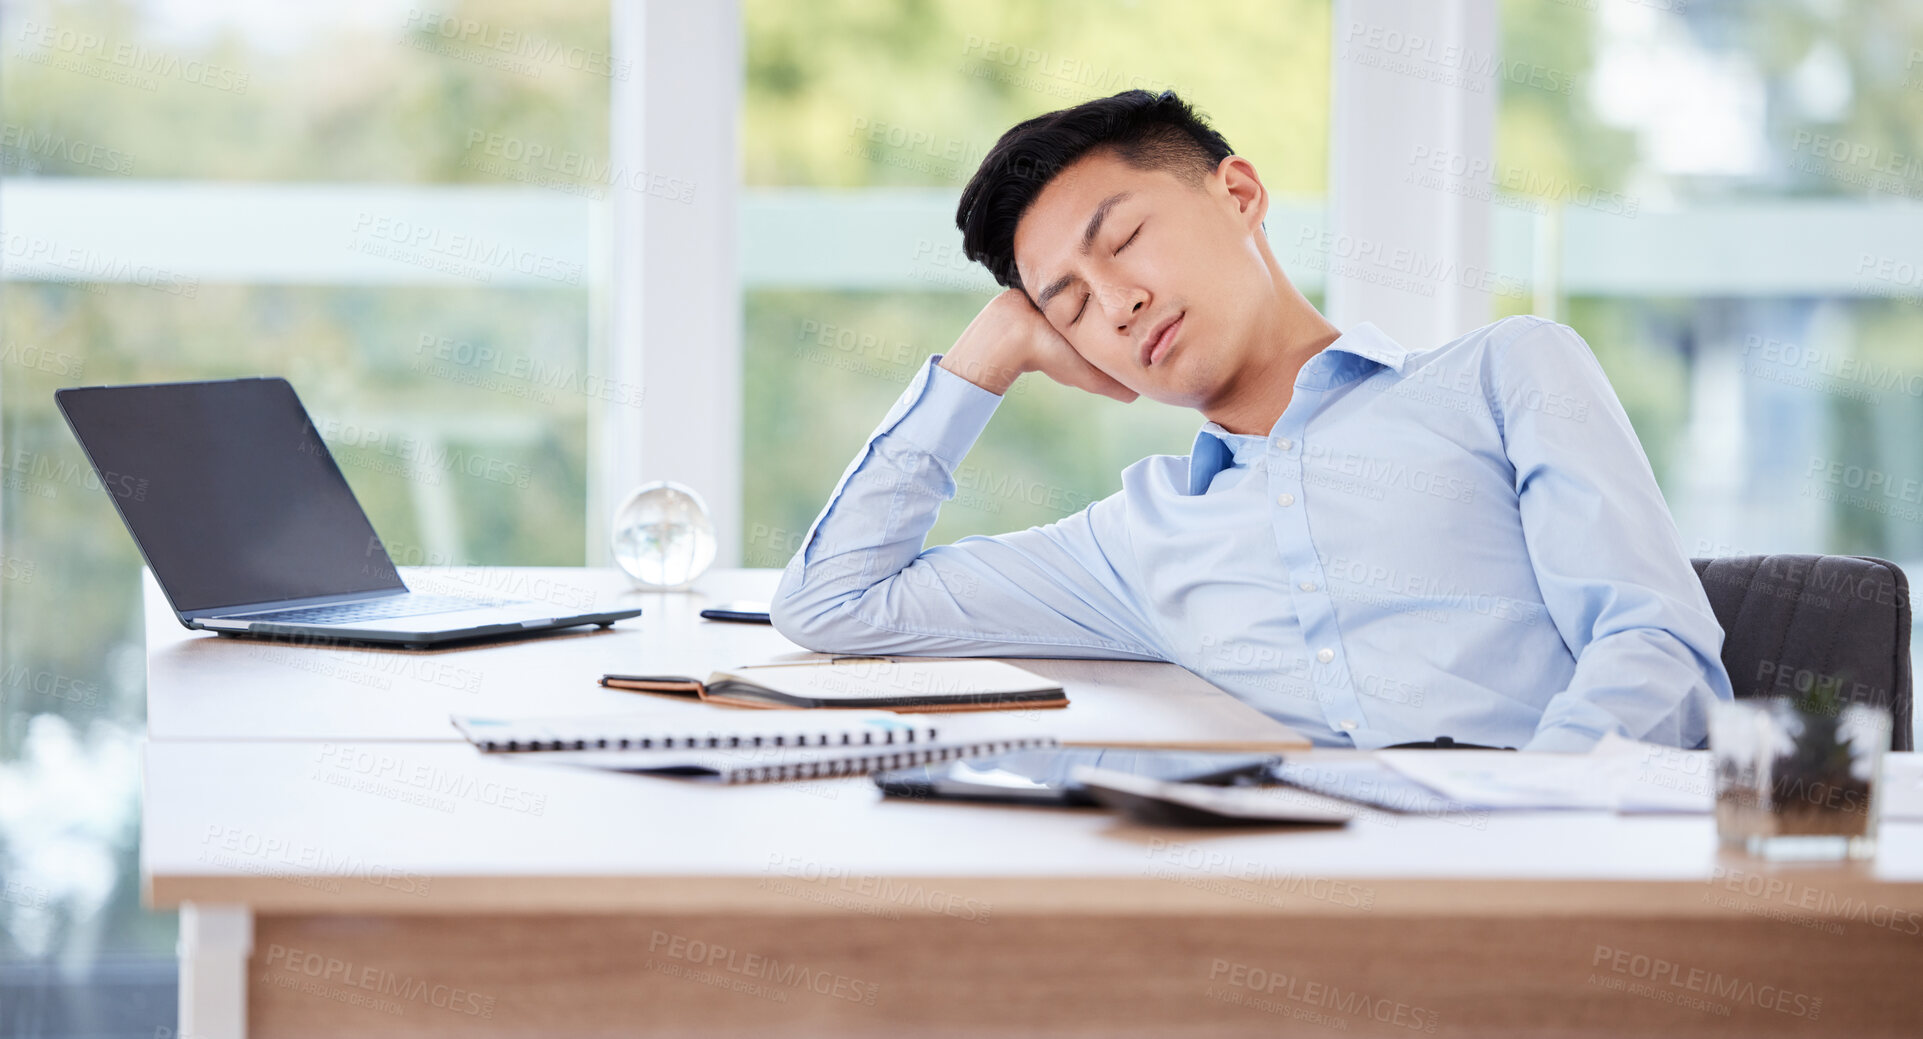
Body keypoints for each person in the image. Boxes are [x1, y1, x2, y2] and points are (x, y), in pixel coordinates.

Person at [770, 89, 1732, 751]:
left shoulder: (1504, 373)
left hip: (1557, 886)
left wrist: (1516, 837)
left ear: (1237, 193)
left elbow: (1656, 649)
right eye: (1065, 305)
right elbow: (833, 604)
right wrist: (982, 360)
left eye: (1126, 239)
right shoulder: (1131, 542)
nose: (1115, 304)